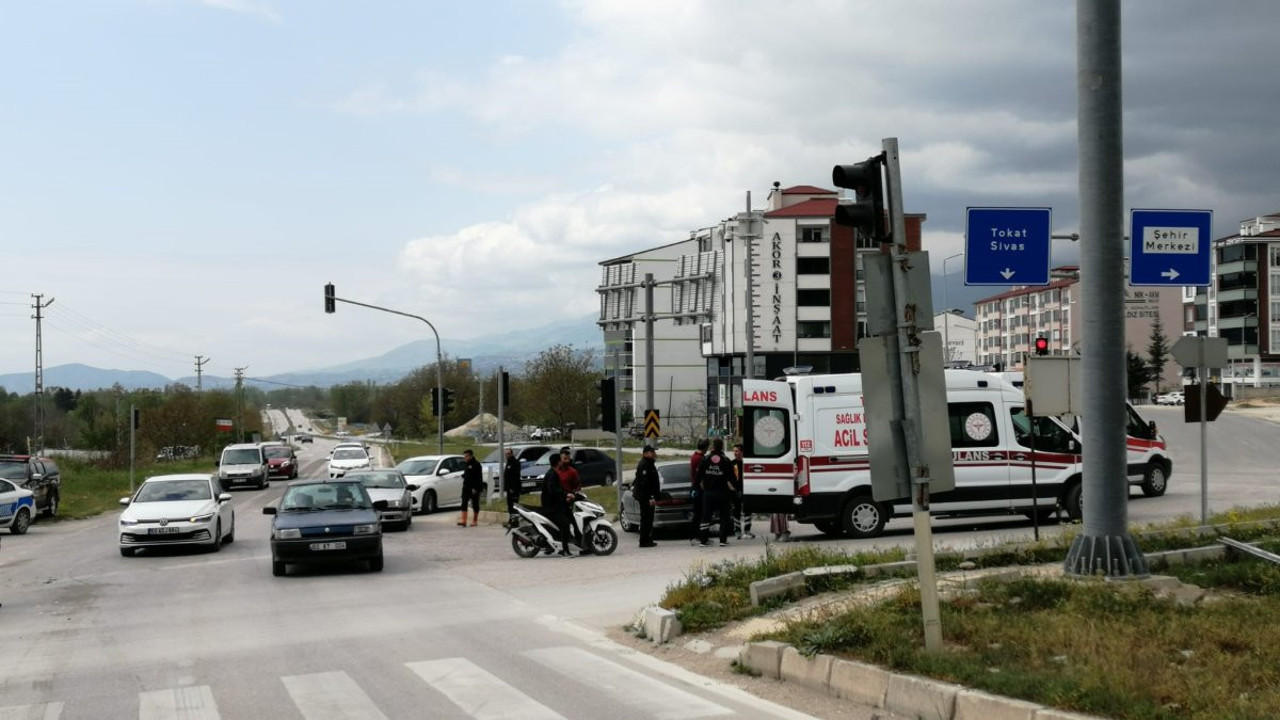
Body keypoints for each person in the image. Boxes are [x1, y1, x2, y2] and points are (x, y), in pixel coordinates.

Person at [697, 438, 735, 547]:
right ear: (722, 446)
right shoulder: (726, 460)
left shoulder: (705, 459)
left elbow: (698, 477)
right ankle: (722, 540)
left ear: (712, 447)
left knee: (705, 516)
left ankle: (703, 540)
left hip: (708, 493)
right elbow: (732, 478)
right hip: (722, 493)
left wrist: (701, 488)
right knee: (724, 516)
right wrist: (734, 489)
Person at [541, 454, 574, 557]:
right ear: (558, 462)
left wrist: (566, 496)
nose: (562, 462)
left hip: (555, 505)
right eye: (560, 460)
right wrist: (566, 495)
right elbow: (552, 490)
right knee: (565, 523)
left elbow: (557, 490)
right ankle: (565, 550)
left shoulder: (554, 473)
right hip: (551, 507)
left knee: (568, 517)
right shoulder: (552, 474)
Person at [555, 448, 584, 550]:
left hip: (569, 501)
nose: (566, 460)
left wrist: (573, 496)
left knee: (575, 523)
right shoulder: (555, 471)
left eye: (568, 458)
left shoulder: (572, 471)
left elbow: (578, 486)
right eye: (564, 458)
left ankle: (580, 544)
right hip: (558, 501)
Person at [631, 445, 660, 548]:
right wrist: (651, 497)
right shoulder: (644, 465)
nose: (654, 453)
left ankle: (648, 538)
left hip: (647, 496)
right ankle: (644, 540)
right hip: (645, 496)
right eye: (652, 452)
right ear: (645, 453)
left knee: (649, 518)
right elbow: (645, 483)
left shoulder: (649, 463)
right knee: (646, 518)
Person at [688, 439, 708, 545]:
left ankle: (699, 536)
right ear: (705, 448)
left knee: (698, 513)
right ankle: (695, 537)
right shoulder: (699, 459)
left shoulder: (694, 456)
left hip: (695, 487)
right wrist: (705, 490)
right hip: (698, 489)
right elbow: (699, 477)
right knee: (698, 514)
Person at [731, 443, 753, 539]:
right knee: (736, 511)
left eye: (737, 451)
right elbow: (729, 478)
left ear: (742, 452)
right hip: (736, 490)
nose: (735, 453)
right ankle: (737, 531)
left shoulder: (747, 463)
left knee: (748, 510)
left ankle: (747, 530)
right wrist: (733, 489)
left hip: (746, 489)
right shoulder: (732, 464)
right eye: (734, 451)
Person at [458, 449, 483, 527]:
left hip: (474, 488)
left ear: (471, 456)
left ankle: (475, 521)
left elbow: (478, 477)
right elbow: (468, 474)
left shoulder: (476, 464)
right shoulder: (466, 464)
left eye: (466, 456)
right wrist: (464, 476)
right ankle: (464, 520)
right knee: (464, 502)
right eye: (464, 456)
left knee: (475, 504)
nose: (464, 458)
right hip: (466, 487)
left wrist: (475, 488)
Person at [502, 448, 522, 527]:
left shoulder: (515, 462)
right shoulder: (508, 462)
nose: (507, 455)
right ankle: (511, 521)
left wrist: (512, 488)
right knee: (510, 506)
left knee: (514, 506)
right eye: (506, 454)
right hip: (509, 489)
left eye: (508, 454)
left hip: (514, 489)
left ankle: (515, 522)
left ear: (511, 454)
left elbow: (515, 477)